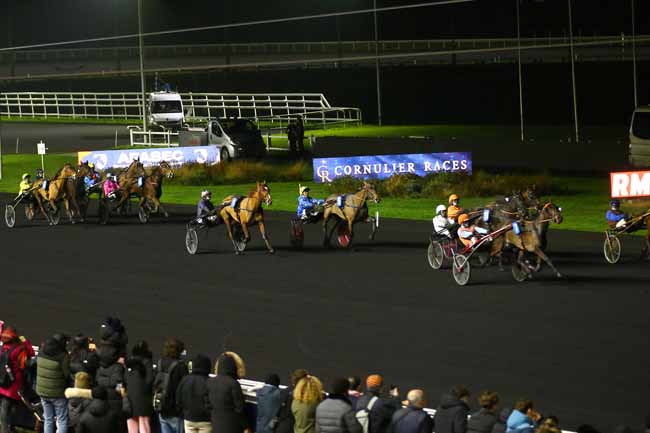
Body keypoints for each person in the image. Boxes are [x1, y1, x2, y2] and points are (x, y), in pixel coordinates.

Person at [0, 325, 35, 433]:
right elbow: (29, 357)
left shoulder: (2, 348)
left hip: (2, 381)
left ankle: (6, 428)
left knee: (4, 407)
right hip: (14, 383)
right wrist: (26, 342)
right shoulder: (20, 349)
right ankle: (7, 429)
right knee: (11, 407)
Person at [206, 352, 249, 433]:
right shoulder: (233, 383)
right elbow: (240, 408)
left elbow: (207, 403)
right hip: (232, 425)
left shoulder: (210, 382)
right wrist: (245, 426)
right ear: (233, 367)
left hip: (216, 424)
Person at [37, 334, 71, 433]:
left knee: (48, 419)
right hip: (58, 394)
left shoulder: (41, 351)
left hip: (43, 392)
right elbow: (67, 374)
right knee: (62, 420)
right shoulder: (63, 356)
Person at [154, 338, 188, 433]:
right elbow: (184, 389)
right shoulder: (181, 366)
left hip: (162, 407)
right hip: (176, 411)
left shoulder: (160, 363)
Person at [176, 354, 212, 433]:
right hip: (205, 421)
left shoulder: (185, 380)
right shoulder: (209, 382)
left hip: (189, 419)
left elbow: (178, 400)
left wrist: (184, 414)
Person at [124, 341, 154, 433]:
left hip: (129, 400)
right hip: (143, 400)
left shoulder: (128, 363)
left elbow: (124, 380)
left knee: (132, 428)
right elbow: (150, 380)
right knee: (144, 426)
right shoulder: (147, 362)